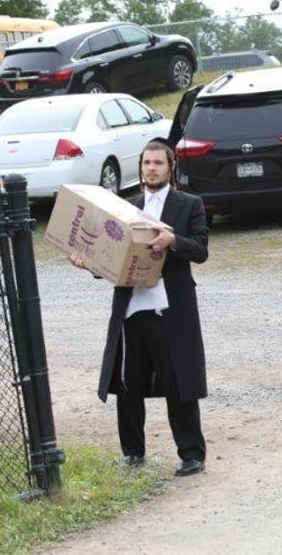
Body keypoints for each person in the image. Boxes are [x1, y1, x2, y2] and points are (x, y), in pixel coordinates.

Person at [71, 140, 210, 476]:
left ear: (170, 167)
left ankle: (192, 454)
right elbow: (110, 256)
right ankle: (133, 452)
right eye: (146, 163)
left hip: (170, 310)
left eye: (158, 163)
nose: (151, 168)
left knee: (178, 382)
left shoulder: (189, 205)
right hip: (132, 310)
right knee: (128, 384)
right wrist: (87, 263)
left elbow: (201, 249)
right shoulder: (126, 207)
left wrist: (172, 241)